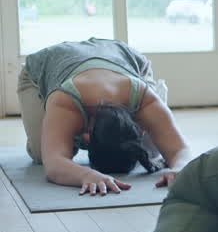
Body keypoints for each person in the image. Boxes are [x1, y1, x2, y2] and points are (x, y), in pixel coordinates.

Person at [18, 38, 194, 195]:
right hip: (46, 66)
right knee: (42, 154)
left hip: (126, 60)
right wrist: (86, 175)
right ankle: (157, 123)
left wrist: (180, 169)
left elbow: (180, 149)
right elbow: (54, 164)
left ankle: (159, 115)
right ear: (86, 137)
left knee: (156, 149)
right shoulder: (66, 100)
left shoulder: (142, 96)